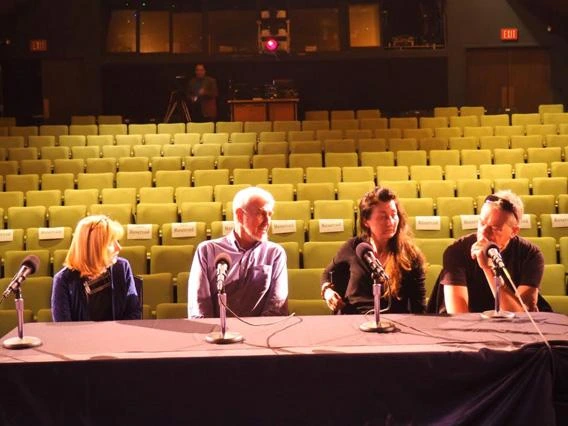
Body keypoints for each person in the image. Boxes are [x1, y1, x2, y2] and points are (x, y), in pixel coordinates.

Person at [321, 186, 427, 314]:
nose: (391, 222)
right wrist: (327, 291)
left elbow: (419, 305)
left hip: (393, 325)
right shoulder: (353, 246)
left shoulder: (410, 255)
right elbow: (327, 274)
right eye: (383, 217)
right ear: (366, 221)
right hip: (352, 319)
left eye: (394, 215)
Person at [188, 187, 288, 318]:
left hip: (260, 334)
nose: (267, 222)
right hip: (217, 334)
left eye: (270, 215)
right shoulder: (207, 250)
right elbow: (200, 307)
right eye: (261, 214)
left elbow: (277, 306)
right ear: (240, 215)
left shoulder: (275, 253)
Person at [440, 190, 543, 314]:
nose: (483, 232)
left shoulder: (531, 255)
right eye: (482, 223)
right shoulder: (456, 251)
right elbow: (458, 315)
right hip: (468, 327)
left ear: (514, 231)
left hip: (510, 329)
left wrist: (488, 269)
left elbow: (521, 315)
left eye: (494, 228)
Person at [51, 215, 141, 322]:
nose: (118, 248)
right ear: (95, 248)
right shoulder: (63, 280)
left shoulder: (122, 267)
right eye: (112, 242)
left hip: (118, 337)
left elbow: (133, 314)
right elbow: (64, 328)